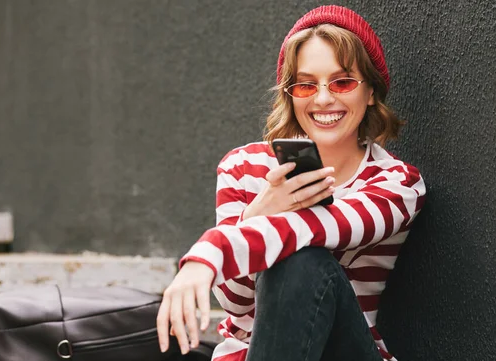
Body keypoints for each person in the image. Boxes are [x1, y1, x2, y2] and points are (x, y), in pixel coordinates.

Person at [157, 5, 426, 361]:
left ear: (371, 91)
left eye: (342, 81)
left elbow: (319, 227)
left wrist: (208, 254)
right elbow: (237, 307)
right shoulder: (243, 168)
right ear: (290, 92)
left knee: (300, 259)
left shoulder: (396, 184)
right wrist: (258, 212)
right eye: (305, 85)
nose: (324, 98)